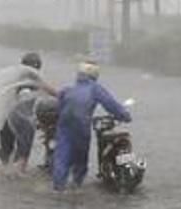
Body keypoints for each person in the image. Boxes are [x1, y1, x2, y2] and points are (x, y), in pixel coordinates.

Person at [51, 60, 131, 191]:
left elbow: (60, 107)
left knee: (62, 157)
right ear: (95, 75)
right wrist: (125, 116)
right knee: (80, 159)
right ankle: (76, 187)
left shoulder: (68, 89)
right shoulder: (95, 89)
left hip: (64, 126)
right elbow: (111, 105)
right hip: (81, 127)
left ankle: (58, 189)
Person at [0, 52, 57, 170]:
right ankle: (18, 182)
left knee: (4, 156)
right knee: (22, 157)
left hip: (6, 120)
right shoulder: (33, 80)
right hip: (22, 122)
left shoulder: (14, 78)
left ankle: (2, 181)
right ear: (38, 66)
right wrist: (64, 96)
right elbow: (49, 91)